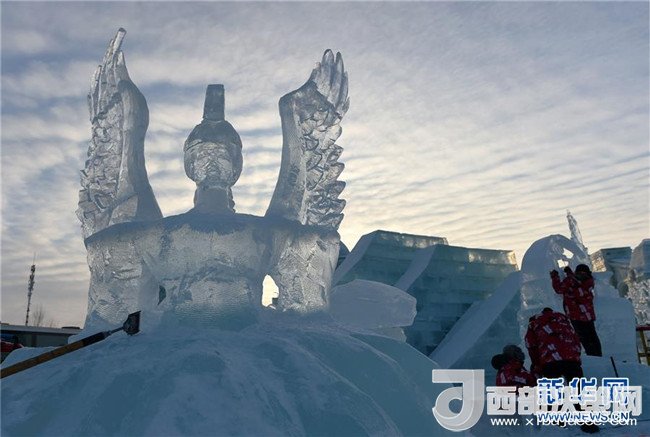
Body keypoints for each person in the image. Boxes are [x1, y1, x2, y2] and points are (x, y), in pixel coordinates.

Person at [525, 307, 599, 434]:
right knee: (578, 389)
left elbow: (531, 345)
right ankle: (587, 423)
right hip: (570, 358)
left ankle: (557, 424)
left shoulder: (534, 323)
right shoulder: (563, 320)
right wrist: (576, 358)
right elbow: (576, 339)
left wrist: (536, 364)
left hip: (550, 359)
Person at [550, 264, 602, 356]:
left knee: (585, 338)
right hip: (587, 314)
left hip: (576, 315)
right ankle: (598, 355)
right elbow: (576, 284)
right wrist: (569, 273)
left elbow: (559, 289)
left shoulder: (573, 282)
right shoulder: (588, 282)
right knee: (592, 337)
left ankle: (594, 356)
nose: (581, 275)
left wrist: (555, 277)